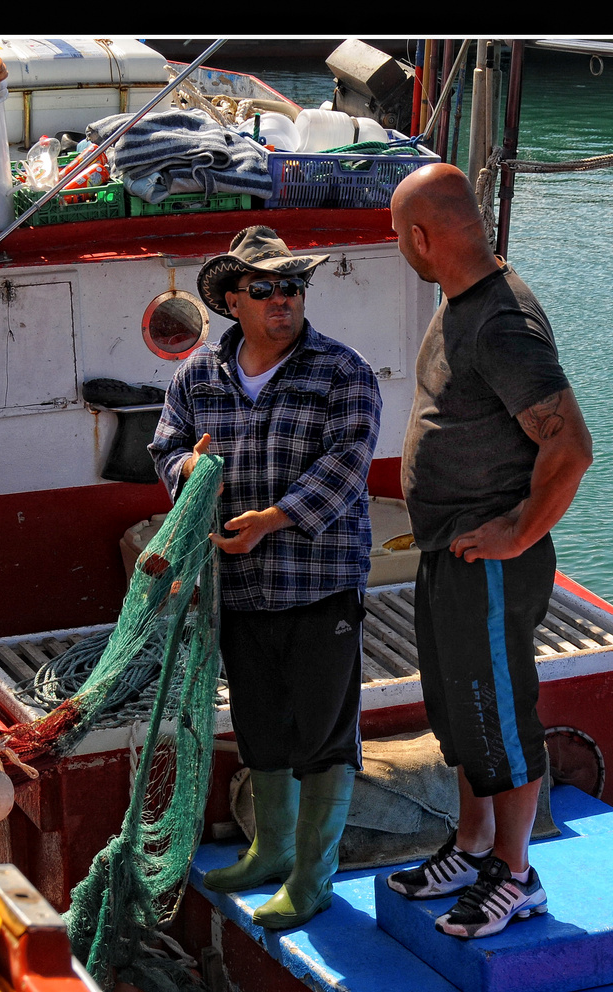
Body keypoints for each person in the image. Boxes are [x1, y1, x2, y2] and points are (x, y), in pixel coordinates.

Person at [150, 225, 382, 931]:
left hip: (318, 583)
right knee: (260, 726)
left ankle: (312, 878)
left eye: (293, 287)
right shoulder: (196, 376)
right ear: (230, 299)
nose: (283, 299)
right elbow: (164, 446)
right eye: (265, 288)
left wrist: (270, 520)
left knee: (322, 735)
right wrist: (187, 469)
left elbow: (347, 466)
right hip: (237, 590)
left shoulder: (343, 372)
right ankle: (270, 852)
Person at [385, 163, 594, 939]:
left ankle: (515, 872)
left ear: (420, 237)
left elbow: (569, 447)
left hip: (491, 559)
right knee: (459, 711)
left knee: (498, 714)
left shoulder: (502, 323)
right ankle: (472, 847)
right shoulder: (460, 304)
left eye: (396, 238)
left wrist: (518, 530)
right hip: (450, 550)